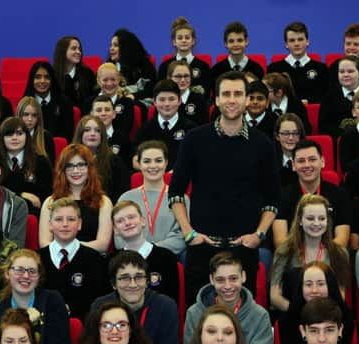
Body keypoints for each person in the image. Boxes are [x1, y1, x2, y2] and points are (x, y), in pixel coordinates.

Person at [168, 71, 280, 305]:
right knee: (200, 324)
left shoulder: (264, 144)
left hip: (244, 251)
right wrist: (189, 233)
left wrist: (258, 235)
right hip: (202, 250)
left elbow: (273, 199)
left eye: (238, 94)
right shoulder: (194, 140)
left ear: (247, 99)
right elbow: (176, 192)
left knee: (241, 324)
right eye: (226, 94)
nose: (232, 99)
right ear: (216, 99)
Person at [91, 250, 178, 344]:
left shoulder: (166, 306)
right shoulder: (100, 307)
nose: (133, 284)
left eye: (139, 277)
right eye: (125, 278)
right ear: (113, 284)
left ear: (147, 281)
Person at [184, 252, 273, 344]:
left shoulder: (260, 316)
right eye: (220, 280)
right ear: (211, 279)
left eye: (233, 278)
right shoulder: (194, 313)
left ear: (243, 277)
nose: (227, 286)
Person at [271, 194, 350, 312]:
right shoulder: (284, 251)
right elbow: (275, 297)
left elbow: (340, 296)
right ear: (300, 221)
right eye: (310, 218)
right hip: (293, 315)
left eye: (322, 218)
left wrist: (320, 317)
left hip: (328, 316)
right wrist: (301, 314)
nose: (317, 223)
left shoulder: (339, 253)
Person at [273, 139, 352, 249]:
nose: (307, 165)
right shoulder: (282, 196)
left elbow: (341, 240)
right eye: (301, 161)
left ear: (322, 162)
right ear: (293, 165)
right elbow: (280, 242)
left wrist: (319, 257)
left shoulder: (339, 195)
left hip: (329, 258)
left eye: (312, 159)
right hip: (294, 258)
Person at [38, 197, 107, 321]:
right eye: (59, 219)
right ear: (50, 224)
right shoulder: (37, 258)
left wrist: (70, 308)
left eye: (71, 219)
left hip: (83, 326)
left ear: (79, 224)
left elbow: (96, 298)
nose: (65, 224)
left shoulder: (94, 259)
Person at [39, 144, 113, 253]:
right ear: (62, 170)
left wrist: (70, 248)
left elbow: (103, 244)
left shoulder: (103, 202)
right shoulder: (50, 202)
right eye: (69, 166)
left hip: (92, 260)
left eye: (80, 165)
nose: (75, 171)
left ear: (90, 168)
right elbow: (44, 243)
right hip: (58, 259)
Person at [277, 261, 354, 344]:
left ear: (330, 285)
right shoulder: (289, 319)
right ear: (301, 287)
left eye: (320, 284)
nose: (314, 290)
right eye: (308, 284)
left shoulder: (344, 316)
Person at [117, 140, 186, 255]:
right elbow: (118, 237)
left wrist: (151, 250)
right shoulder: (126, 198)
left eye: (158, 161)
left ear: (166, 163)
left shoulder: (180, 198)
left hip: (168, 259)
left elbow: (181, 236)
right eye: (147, 161)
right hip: (132, 260)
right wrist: (141, 251)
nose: (153, 166)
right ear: (139, 164)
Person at [110, 200, 179, 302]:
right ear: (115, 229)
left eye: (131, 217)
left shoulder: (167, 258)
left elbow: (172, 299)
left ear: (142, 221)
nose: (127, 223)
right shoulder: (110, 261)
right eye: (120, 221)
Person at [132, 79, 197, 170]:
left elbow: (196, 159)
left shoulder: (191, 129)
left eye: (171, 99)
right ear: (154, 102)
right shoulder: (145, 129)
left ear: (179, 101)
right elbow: (135, 159)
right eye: (162, 99)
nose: (167, 104)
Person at [0, 116, 53, 215]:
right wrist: (21, 195)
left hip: (34, 215)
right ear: (2, 138)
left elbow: (45, 196)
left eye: (19, 133)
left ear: (26, 136)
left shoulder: (41, 162)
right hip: (0, 214)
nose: (14, 138)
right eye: (9, 134)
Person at [267, 21, 329, 104]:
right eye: (292, 40)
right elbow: (269, 97)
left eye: (300, 39)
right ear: (286, 44)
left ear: (307, 41)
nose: (296, 44)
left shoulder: (321, 69)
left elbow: (326, 96)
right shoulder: (274, 69)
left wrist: (308, 102)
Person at [72, 114, 130, 202]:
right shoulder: (70, 160)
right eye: (87, 130)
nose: (92, 134)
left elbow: (122, 194)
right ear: (80, 134)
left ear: (102, 136)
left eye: (97, 131)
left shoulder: (115, 162)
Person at [158, 17, 211, 95]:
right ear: (174, 42)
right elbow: (160, 91)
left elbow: (206, 93)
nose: (184, 40)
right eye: (180, 38)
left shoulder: (203, 66)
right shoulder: (165, 66)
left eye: (187, 37)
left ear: (193, 41)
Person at [22, 61, 74, 142]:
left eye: (47, 77)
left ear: (52, 80)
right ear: (32, 79)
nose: (42, 81)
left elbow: (69, 136)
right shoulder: (24, 103)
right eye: (38, 77)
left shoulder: (64, 103)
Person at [107, 28, 157, 102]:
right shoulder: (107, 66)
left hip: (136, 102)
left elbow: (151, 90)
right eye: (111, 45)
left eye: (116, 45)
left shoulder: (145, 66)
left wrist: (134, 96)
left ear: (126, 47)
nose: (111, 48)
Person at [52, 35, 96, 114]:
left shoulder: (87, 74)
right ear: (63, 51)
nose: (78, 52)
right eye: (73, 48)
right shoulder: (53, 75)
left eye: (79, 49)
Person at [94, 62, 135, 135]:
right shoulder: (89, 102)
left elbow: (124, 130)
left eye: (113, 79)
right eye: (105, 80)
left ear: (119, 80)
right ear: (98, 81)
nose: (109, 84)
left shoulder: (127, 103)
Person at [90, 95, 132, 163]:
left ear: (114, 114)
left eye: (107, 110)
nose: (103, 113)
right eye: (98, 110)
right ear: (91, 115)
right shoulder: (85, 138)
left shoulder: (123, 138)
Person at [16, 96, 56, 165]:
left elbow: (50, 167)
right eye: (26, 114)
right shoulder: (11, 136)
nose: (30, 119)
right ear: (19, 115)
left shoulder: (46, 137)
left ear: (38, 118)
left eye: (34, 115)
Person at [167, 60, 209, 125]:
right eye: (178, 76)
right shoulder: (164, 100)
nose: (183, 80)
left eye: (186, 76)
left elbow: (204, 127)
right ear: (169, 78)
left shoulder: (200, 100)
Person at [273, 113, 305, 187]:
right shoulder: (270, 161)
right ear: (277, 136)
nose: (291, 138)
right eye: (286, 133)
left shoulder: (308, 159)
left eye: (295, 133)